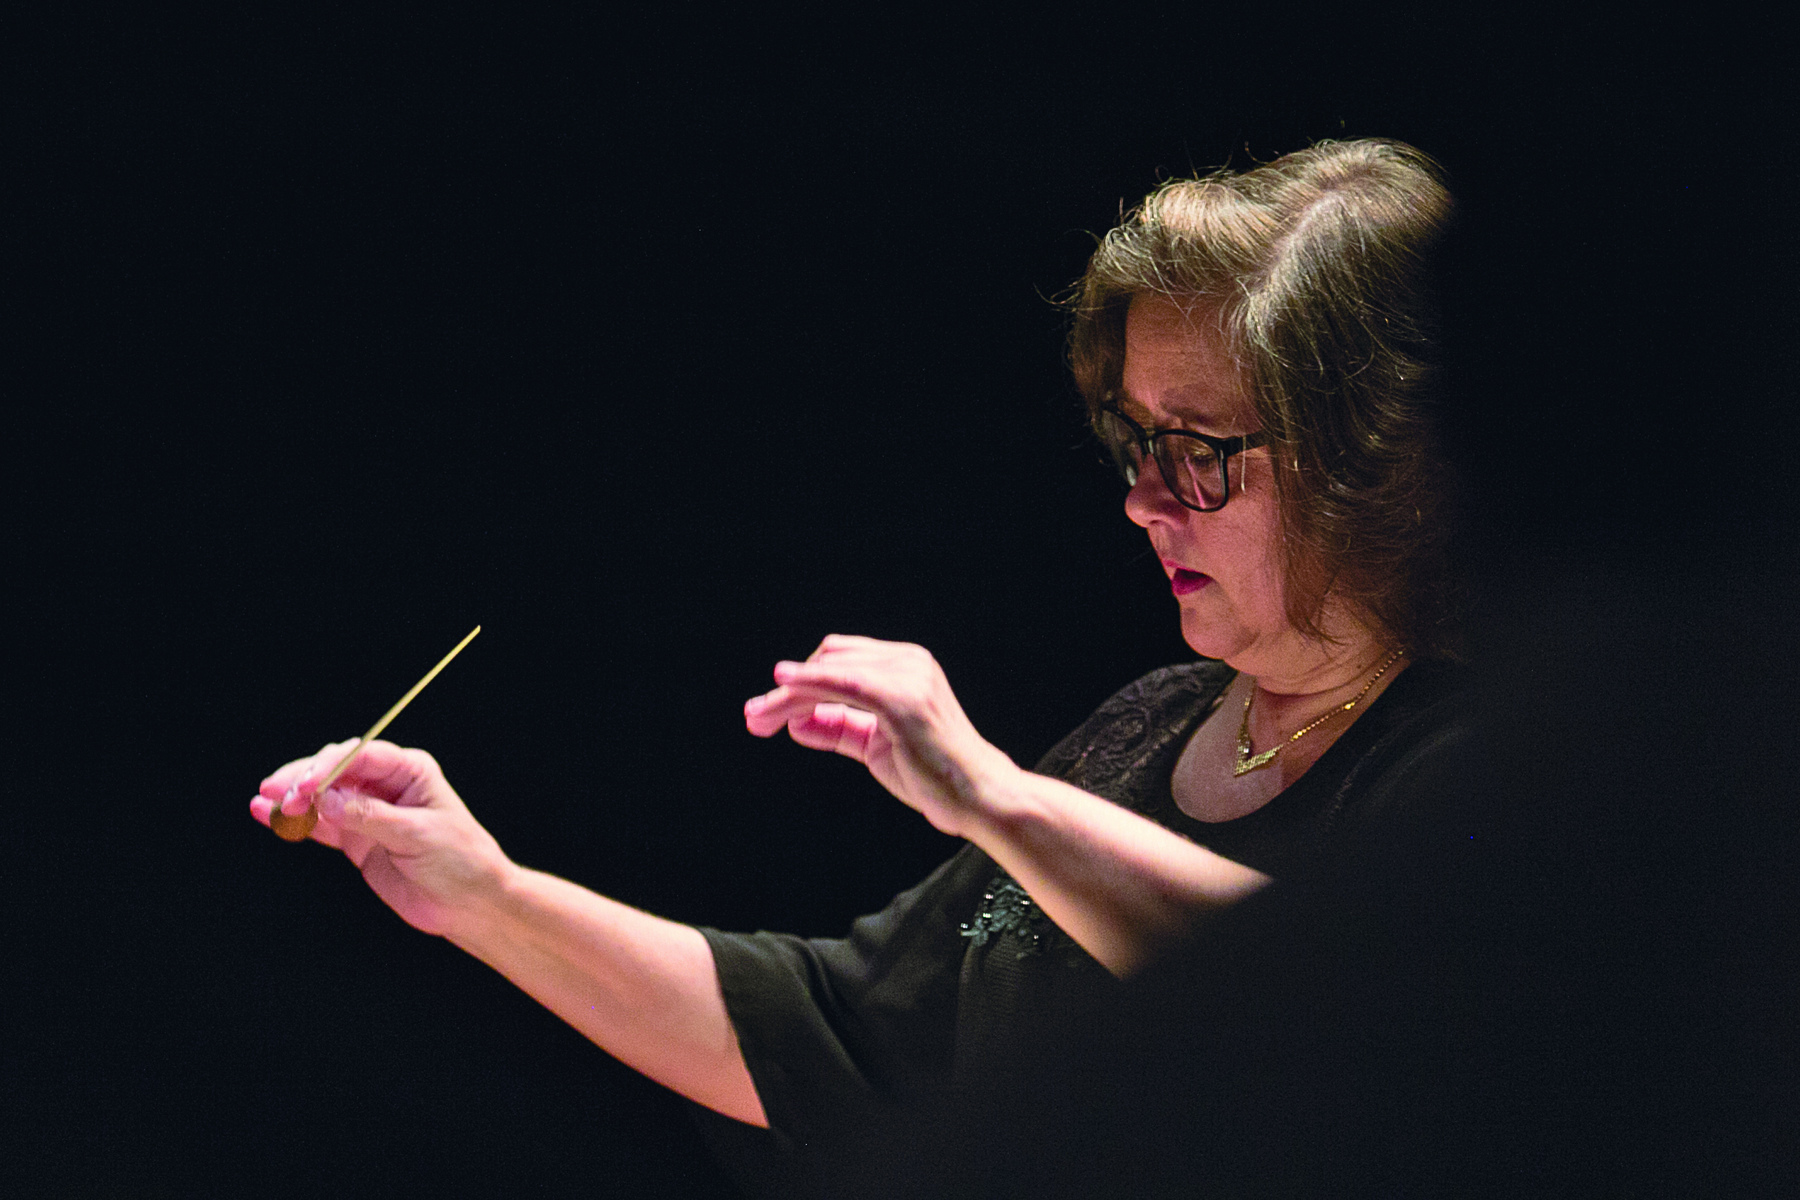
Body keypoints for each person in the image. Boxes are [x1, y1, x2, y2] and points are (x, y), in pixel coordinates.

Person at [251, 138, 1468, 1193]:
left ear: (1374, 455)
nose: (1146, 501)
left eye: (1200, 449)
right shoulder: (1150, 728)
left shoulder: (1482, 757)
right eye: (1137, 441)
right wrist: (481, 895)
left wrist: (992, 794)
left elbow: (1342, 1001)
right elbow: (832, 1033)